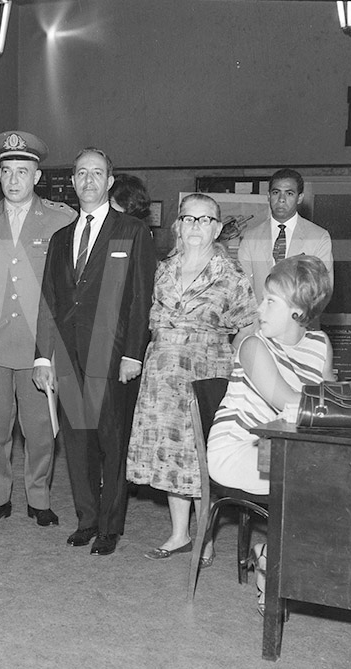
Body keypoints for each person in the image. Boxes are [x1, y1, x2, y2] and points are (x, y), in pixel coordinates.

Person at [33, 147, 156, 556]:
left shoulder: (132, 232)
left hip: (112, 354)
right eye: (81, 173)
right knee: (78, 441)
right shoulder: (61, 237)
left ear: (109, 181)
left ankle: (110, 526)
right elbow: (49, 300)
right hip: (67, 356)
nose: (88, 180)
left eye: (97, 173)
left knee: (111, 441)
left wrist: (133, 353)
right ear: (72, 181)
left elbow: (141, 298)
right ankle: (86, 519)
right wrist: (43, 357)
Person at [126, 194, 258, 560]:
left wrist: (238, 371)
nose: (196, 226)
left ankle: (205, 536)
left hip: (205, 373)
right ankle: (180, 533)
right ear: (178, 225)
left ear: (217, 228)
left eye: (205, 220)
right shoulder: (162, 269)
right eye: (189, 219)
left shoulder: (231, 276)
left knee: (201, 455)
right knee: (172, 455)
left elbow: (249, 328)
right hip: (162, 373)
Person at [205, 254, 335, 611]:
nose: (259, 308)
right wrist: (343, 400)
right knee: (322, 482)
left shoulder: (320, 346)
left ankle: (269, 554)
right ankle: (273, 561)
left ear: (297, 310)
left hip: (285, 447)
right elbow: (290, 403)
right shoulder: (252, 345)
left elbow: (328, 403)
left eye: (270, 301)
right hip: (237, 448)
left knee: (339, 477)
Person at [0, 130, 75, 527]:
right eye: (6, 171)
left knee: (40, 428)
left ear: (37, 176)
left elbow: (69, 282)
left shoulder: (62, 220)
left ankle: (38, 498)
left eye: (22, 172)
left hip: (38, 344)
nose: (13, 180)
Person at [237, 169, 333, 303]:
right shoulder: (250, 237)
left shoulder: (319, 237)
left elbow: (323, 289)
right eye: (276, 193)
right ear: (268, 196)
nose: (281, 199)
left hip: (300, 321)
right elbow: (242, 288)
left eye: (289, 193)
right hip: (260, 319)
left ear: (299, 198)